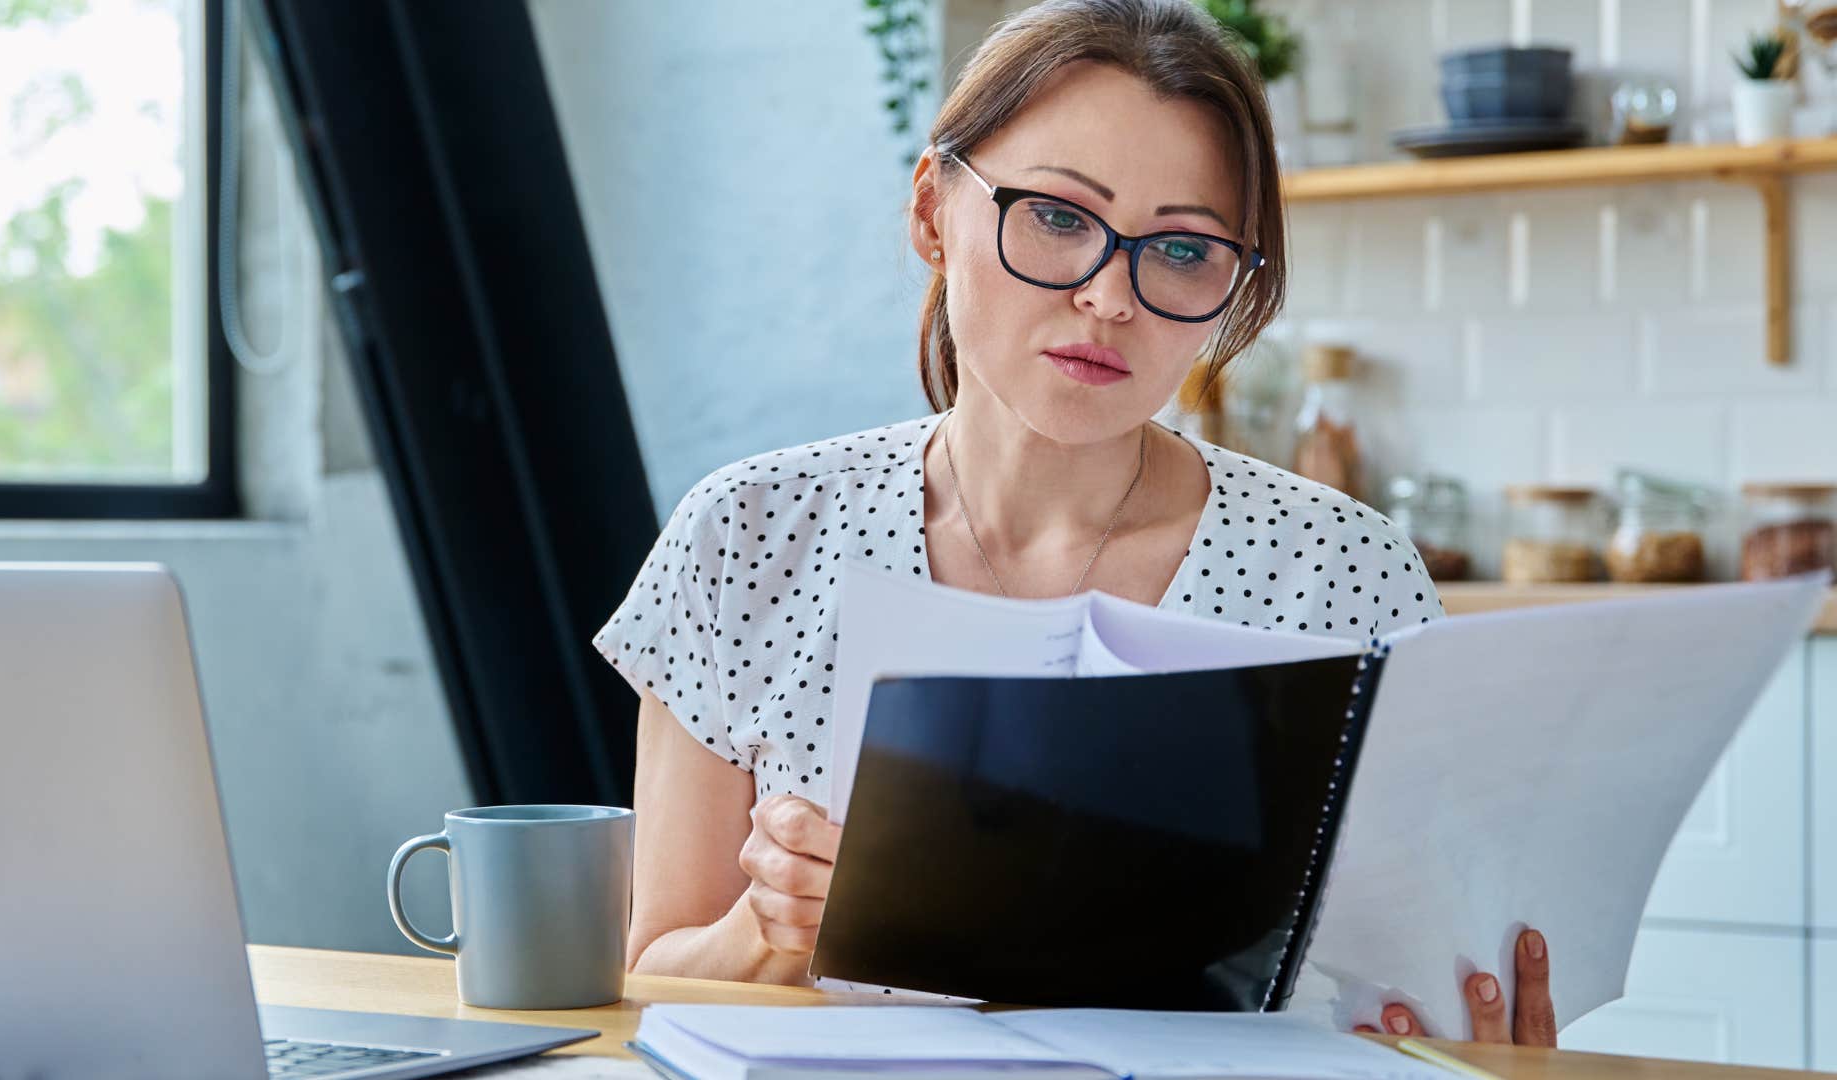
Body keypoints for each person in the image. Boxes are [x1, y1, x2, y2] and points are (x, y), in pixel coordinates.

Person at [591, 0, 1558, 1047]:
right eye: (1056, 217)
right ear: (931, 212)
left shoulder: (1342, 574)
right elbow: (651, 980)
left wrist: (1470, 1050)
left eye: (1184, 249)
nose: (1110, 298)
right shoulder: (748, 535)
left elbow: (1424, 994)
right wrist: (767, 931)